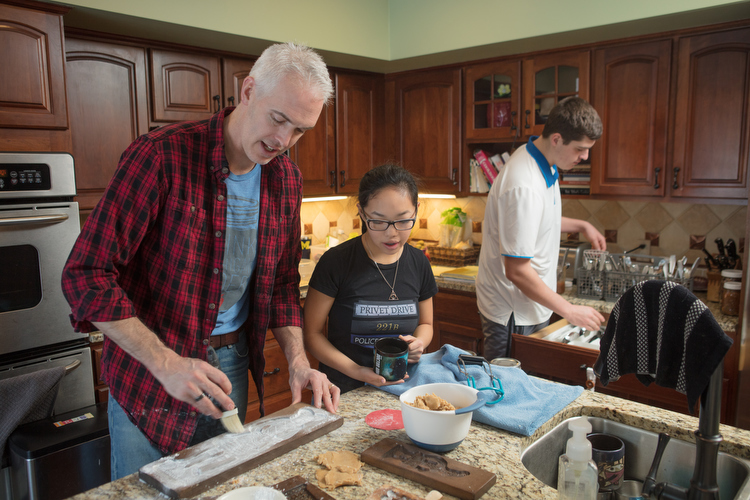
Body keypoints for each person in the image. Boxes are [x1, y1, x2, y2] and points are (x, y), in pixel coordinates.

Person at [61, 42, 340, 479]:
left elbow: (282, 284)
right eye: (278, 119)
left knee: (219, 486)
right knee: (147, 491)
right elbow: (85, 275)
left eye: (300, 130)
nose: (283, 141)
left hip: (231, 366)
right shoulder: (161, 156)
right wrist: (166, 363)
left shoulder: (285, 179)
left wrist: (299, 360)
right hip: (152, 371)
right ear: (248, 91)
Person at [475, 97, 607, 361]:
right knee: (506, 392)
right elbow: (517, 271)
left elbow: (538, 221)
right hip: (513, 312)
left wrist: (583, 225)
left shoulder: (543, 160)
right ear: (557, 139)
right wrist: (569, 310)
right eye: (580, 149)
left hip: (530, 306)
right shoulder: (523, 184)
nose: (585, 156)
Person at [303, 164, 438, 394]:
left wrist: (420, 343)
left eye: (403, 220)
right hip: (344, 388)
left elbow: (426, 324)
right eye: (378, 221)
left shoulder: (419, 263)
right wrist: (356, 370)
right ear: (362, 212)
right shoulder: (337, 262)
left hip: (402, 388)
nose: (392, 233)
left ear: (416, 210)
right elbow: (311, 335)